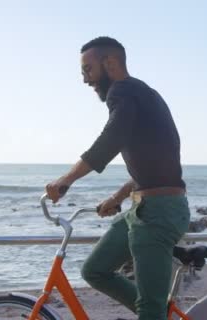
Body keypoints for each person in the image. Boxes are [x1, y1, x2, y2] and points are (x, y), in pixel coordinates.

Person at [45, 36, 190, 320]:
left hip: (157, 213)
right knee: (95, 270)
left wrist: (66, 179)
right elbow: (157, 165)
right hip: (144, 208)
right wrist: (119, 197)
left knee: (150, 310)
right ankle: (156, 310)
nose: (85, 79)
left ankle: (154, 312)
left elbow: (110, 139)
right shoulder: (146, 95)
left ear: (109, 62)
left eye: (88, 69)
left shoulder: (122, 91)